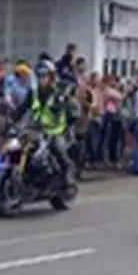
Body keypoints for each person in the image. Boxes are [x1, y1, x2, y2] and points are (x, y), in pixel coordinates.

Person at [27, 59, 79, 188]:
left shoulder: (59, 92)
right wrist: (11, 119)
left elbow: (72, 106)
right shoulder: (33, 93)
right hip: (38, 130)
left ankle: (67, 174)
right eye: (39, 77)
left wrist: (68, 111)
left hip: (57, 131)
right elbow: (21, 108)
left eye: (44, 76)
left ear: (51, 77)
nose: (41, 80)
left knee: (57, 148)